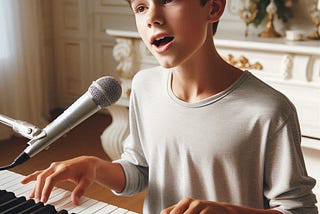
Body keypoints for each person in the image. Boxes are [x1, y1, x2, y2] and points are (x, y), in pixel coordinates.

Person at [22, 0, 318, 213]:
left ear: (213, 7)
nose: (152, 16)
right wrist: (96, 167)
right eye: (140, 7)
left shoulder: (269, 111)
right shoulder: (144, 85)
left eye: (167, 0)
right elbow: (140, 170)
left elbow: (299, 210)